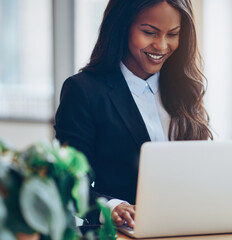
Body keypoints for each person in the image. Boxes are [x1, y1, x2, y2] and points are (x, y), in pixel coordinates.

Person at [54, 0, 213, 227]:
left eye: (173, 34)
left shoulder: (185, 87)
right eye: (149, 32)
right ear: (122, 26)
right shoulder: (83, 91)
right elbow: (69, 183)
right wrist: (113, 207)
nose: (161, 45)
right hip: (124, 231)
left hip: (187, 225)